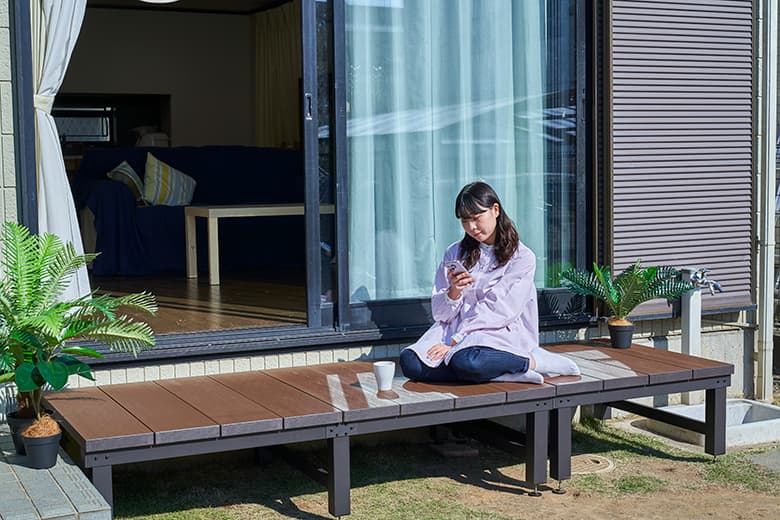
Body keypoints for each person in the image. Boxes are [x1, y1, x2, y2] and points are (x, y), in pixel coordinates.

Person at [400, 181, 580, 384]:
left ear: (495, 210)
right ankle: (504, 373)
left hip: (498, 331)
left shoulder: (522, 257)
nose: (471, 227)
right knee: (410, 362)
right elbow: (440, 315)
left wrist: (457, 340)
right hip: (454, 331)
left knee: (467, 361)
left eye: (476, 218)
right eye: (465, 220)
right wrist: (454, 291)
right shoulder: (454, 253)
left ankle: (533, 361)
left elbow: (499, 309)